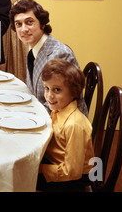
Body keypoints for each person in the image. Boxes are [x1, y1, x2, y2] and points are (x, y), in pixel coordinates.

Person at [9, 0, 88, 116]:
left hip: (64, 125)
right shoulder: (33, 49)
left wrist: (22, 113)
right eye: (18, 24)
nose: (23, 29)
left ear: (42, 24)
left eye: (29, 22)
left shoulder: (60, 54)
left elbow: (61, 103)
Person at [37, 58, 94, 192]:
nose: (49, 96)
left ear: (74, 92)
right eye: (46, 88)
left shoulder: (74, 125)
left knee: (22, 179)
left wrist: (40, 169)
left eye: (57, 90)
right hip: (58, 164)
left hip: (73, 180)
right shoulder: (59, 110)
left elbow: (72, 171)